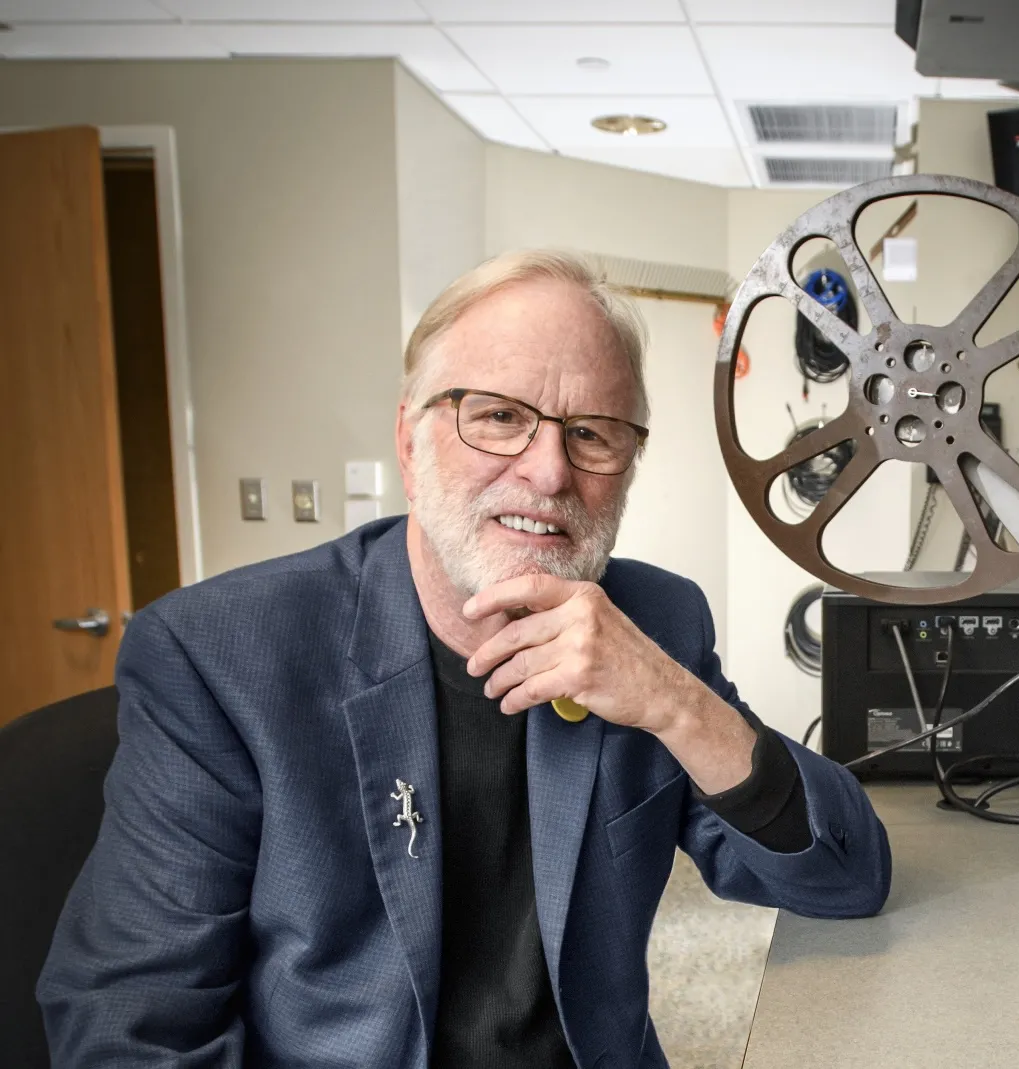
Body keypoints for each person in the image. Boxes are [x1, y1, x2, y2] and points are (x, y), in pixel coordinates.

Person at [38, 249, 891, 1069]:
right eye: (497, 416)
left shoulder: (653, 622)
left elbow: (844, 875)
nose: (549, 471)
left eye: (592, 434)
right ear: (410, 442)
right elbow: (126, 1025)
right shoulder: (222, 656)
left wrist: (673, 700)